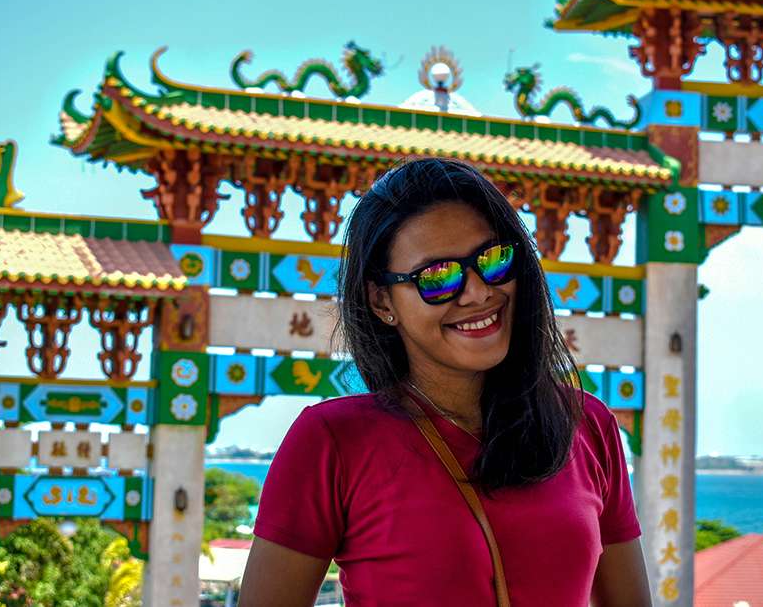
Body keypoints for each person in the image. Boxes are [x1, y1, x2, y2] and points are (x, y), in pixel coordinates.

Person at [239, 158, 651, 606]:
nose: (478, 292)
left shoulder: (586, 425)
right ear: (382, 301)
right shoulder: (332, 441)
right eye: (436, 276)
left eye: (493, 260)